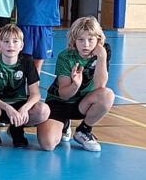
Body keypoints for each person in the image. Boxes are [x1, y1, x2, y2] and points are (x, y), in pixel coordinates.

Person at [38, 16, 114, 152]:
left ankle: (84, 130)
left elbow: (100, 86)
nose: (86, 45)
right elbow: (64, 95)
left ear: (98, 40)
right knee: (47, 144)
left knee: (107, 95)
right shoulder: (66, 57)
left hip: (83, 103)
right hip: (60, 103)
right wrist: (75, 85)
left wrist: (102, 57)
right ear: (74, 40)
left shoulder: (103, 52)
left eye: (90, 40)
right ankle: (64, 123)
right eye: (80, 40)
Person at [0, 24, 49, 148]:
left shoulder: (27, 60)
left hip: (19, 105)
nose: (10, 45)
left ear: (21, 46)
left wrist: (25, 108)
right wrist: (7, 108)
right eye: (6, 41)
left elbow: (35, 94)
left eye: (15, 41)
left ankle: (16, 129)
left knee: (43, 110)